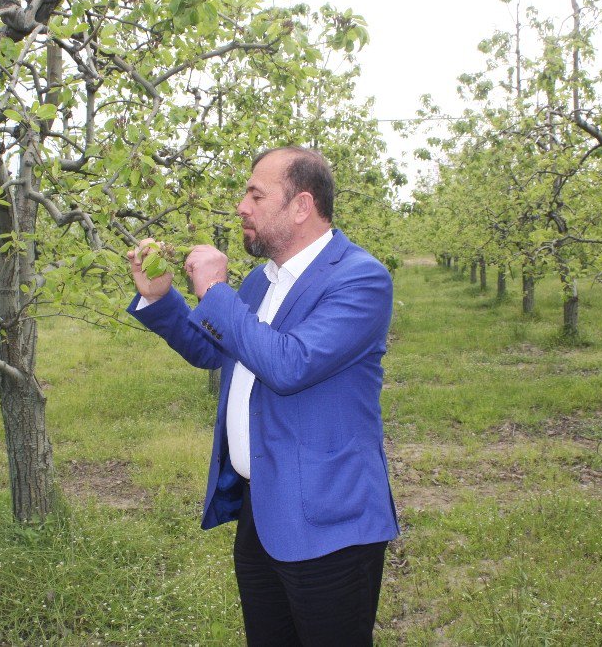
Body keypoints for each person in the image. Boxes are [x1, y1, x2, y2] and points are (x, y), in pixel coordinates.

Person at [126, 146, 399, 646]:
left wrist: (215, 293)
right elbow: (216, 351)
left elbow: (289, 364)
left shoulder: (359, 278)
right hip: (264, 509)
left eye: (256, 194)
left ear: (301, 206)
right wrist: (163, 299)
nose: (241, 206)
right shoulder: (260, 281)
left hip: (328, 521)